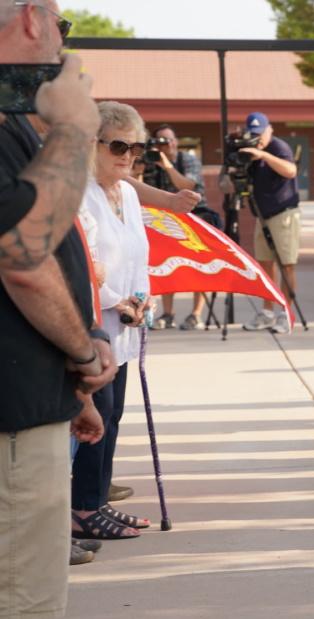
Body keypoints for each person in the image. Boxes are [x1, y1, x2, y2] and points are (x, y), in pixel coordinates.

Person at [0, 3, 114, 611]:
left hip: (28, 402)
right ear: (31, 19)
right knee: (25, 599)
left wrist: (74, 386)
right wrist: (74, 130)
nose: (60, 45)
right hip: (10, 424)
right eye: (61, 28)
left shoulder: (13, 115)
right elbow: (24, 257)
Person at [70, 101, 157, 543]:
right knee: (95, 414)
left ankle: (99, 501)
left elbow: (140, 255)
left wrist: (141, 299)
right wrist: (114, 299)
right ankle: (82, 507)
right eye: (118, 145)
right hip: (93, 322)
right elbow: (83, 262)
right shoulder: (78, 191)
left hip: (126, 323)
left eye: (136, 147)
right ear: (94, 144)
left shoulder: (129, 191)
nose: (127, 156)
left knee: (115, 413)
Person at [144, 123, 217, 331]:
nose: (165, 146)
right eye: (160, 142)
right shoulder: (151, 162)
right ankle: (168, 314)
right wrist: (142, 169)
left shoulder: (189, 160)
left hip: (195, 217)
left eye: (167, 141)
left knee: (200, 265)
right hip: (167, 220)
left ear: (175, 142)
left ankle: (196, 314)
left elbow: (187, 186)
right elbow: (139, 189)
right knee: (166, 264)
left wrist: (167, 165)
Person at [239, 111, 299, 334]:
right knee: (265, 265)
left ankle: (286, 313)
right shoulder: (249, 149)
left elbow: (291, 171)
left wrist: (262, 155)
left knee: (286, 264)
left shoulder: (278, 147)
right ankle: (267, 313)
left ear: (269, 130)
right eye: (253, 134)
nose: (258, 138)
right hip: (262, 216)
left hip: (283, 213)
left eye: (261, 133)